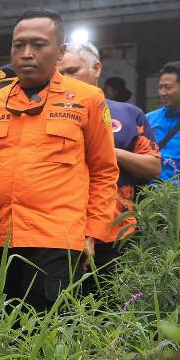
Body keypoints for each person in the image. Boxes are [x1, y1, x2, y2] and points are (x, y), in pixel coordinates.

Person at [0, 9, 119, 312]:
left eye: (38, 45)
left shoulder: (87, 99)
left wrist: (93, 234)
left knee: (50, 337)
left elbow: (103, 171)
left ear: (59, 53)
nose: (26, 54)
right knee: (4, 332)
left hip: (57, 241)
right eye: (18, 45)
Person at [58, 43, 159, 270]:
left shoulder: (129, 114)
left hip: (116, 230)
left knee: (113, 301)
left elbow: (153, 166)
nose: (65, 78)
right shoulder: (50, 115)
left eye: (72, 71)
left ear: (97, 68)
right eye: (60, 73)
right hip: (60, 230)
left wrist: (108, 151)